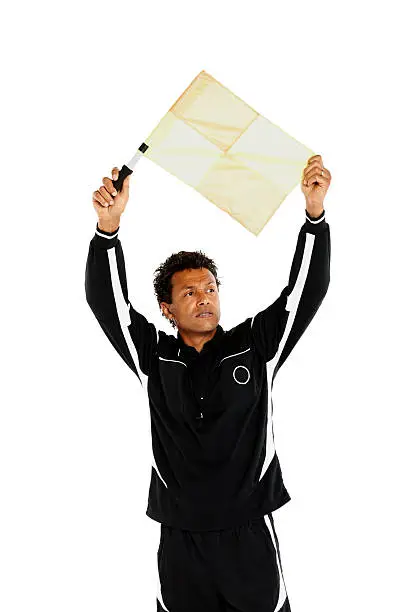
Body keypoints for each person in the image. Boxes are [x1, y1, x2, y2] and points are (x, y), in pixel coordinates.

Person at [85, 155, 331, 612]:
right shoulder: (152, 355)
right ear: (167, 308)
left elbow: (305, 292)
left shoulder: (255, 345)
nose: (204, 299)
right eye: (190, 293)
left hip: (249, 535)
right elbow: (107, 302)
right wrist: (108, 229)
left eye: (211, 289)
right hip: (180, 542)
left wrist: (314, 217)